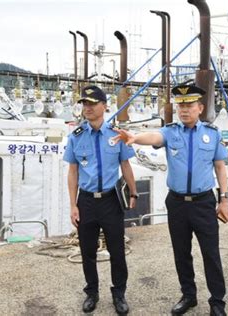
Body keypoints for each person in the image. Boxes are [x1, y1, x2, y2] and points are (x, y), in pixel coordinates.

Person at [113, 84, 228, 316]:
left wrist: (224, 199)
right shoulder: (171, 131)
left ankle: (217, 302)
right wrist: (135, 137)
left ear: (200, 107)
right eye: (180, 106)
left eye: (188, 105)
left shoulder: (212, 134)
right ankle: (189, 295)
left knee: (211, 254)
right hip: (176, 203)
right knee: (181, 252)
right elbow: (154, 136)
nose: (184, 110)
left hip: (204, 202)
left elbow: (220, 167)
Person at [63, 85, 138, 315]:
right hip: (86, 202)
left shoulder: (116, 134)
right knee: (87, 251)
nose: (87, 108)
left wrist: (133, 193)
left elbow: (125, 165)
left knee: (117, 250)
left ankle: (119, 294)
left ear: (104, 106)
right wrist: (73, 205)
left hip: (110, 201)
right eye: (84, 104)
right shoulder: (75, 136)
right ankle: (92, 293)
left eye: (92, 103)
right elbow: (73, 171)